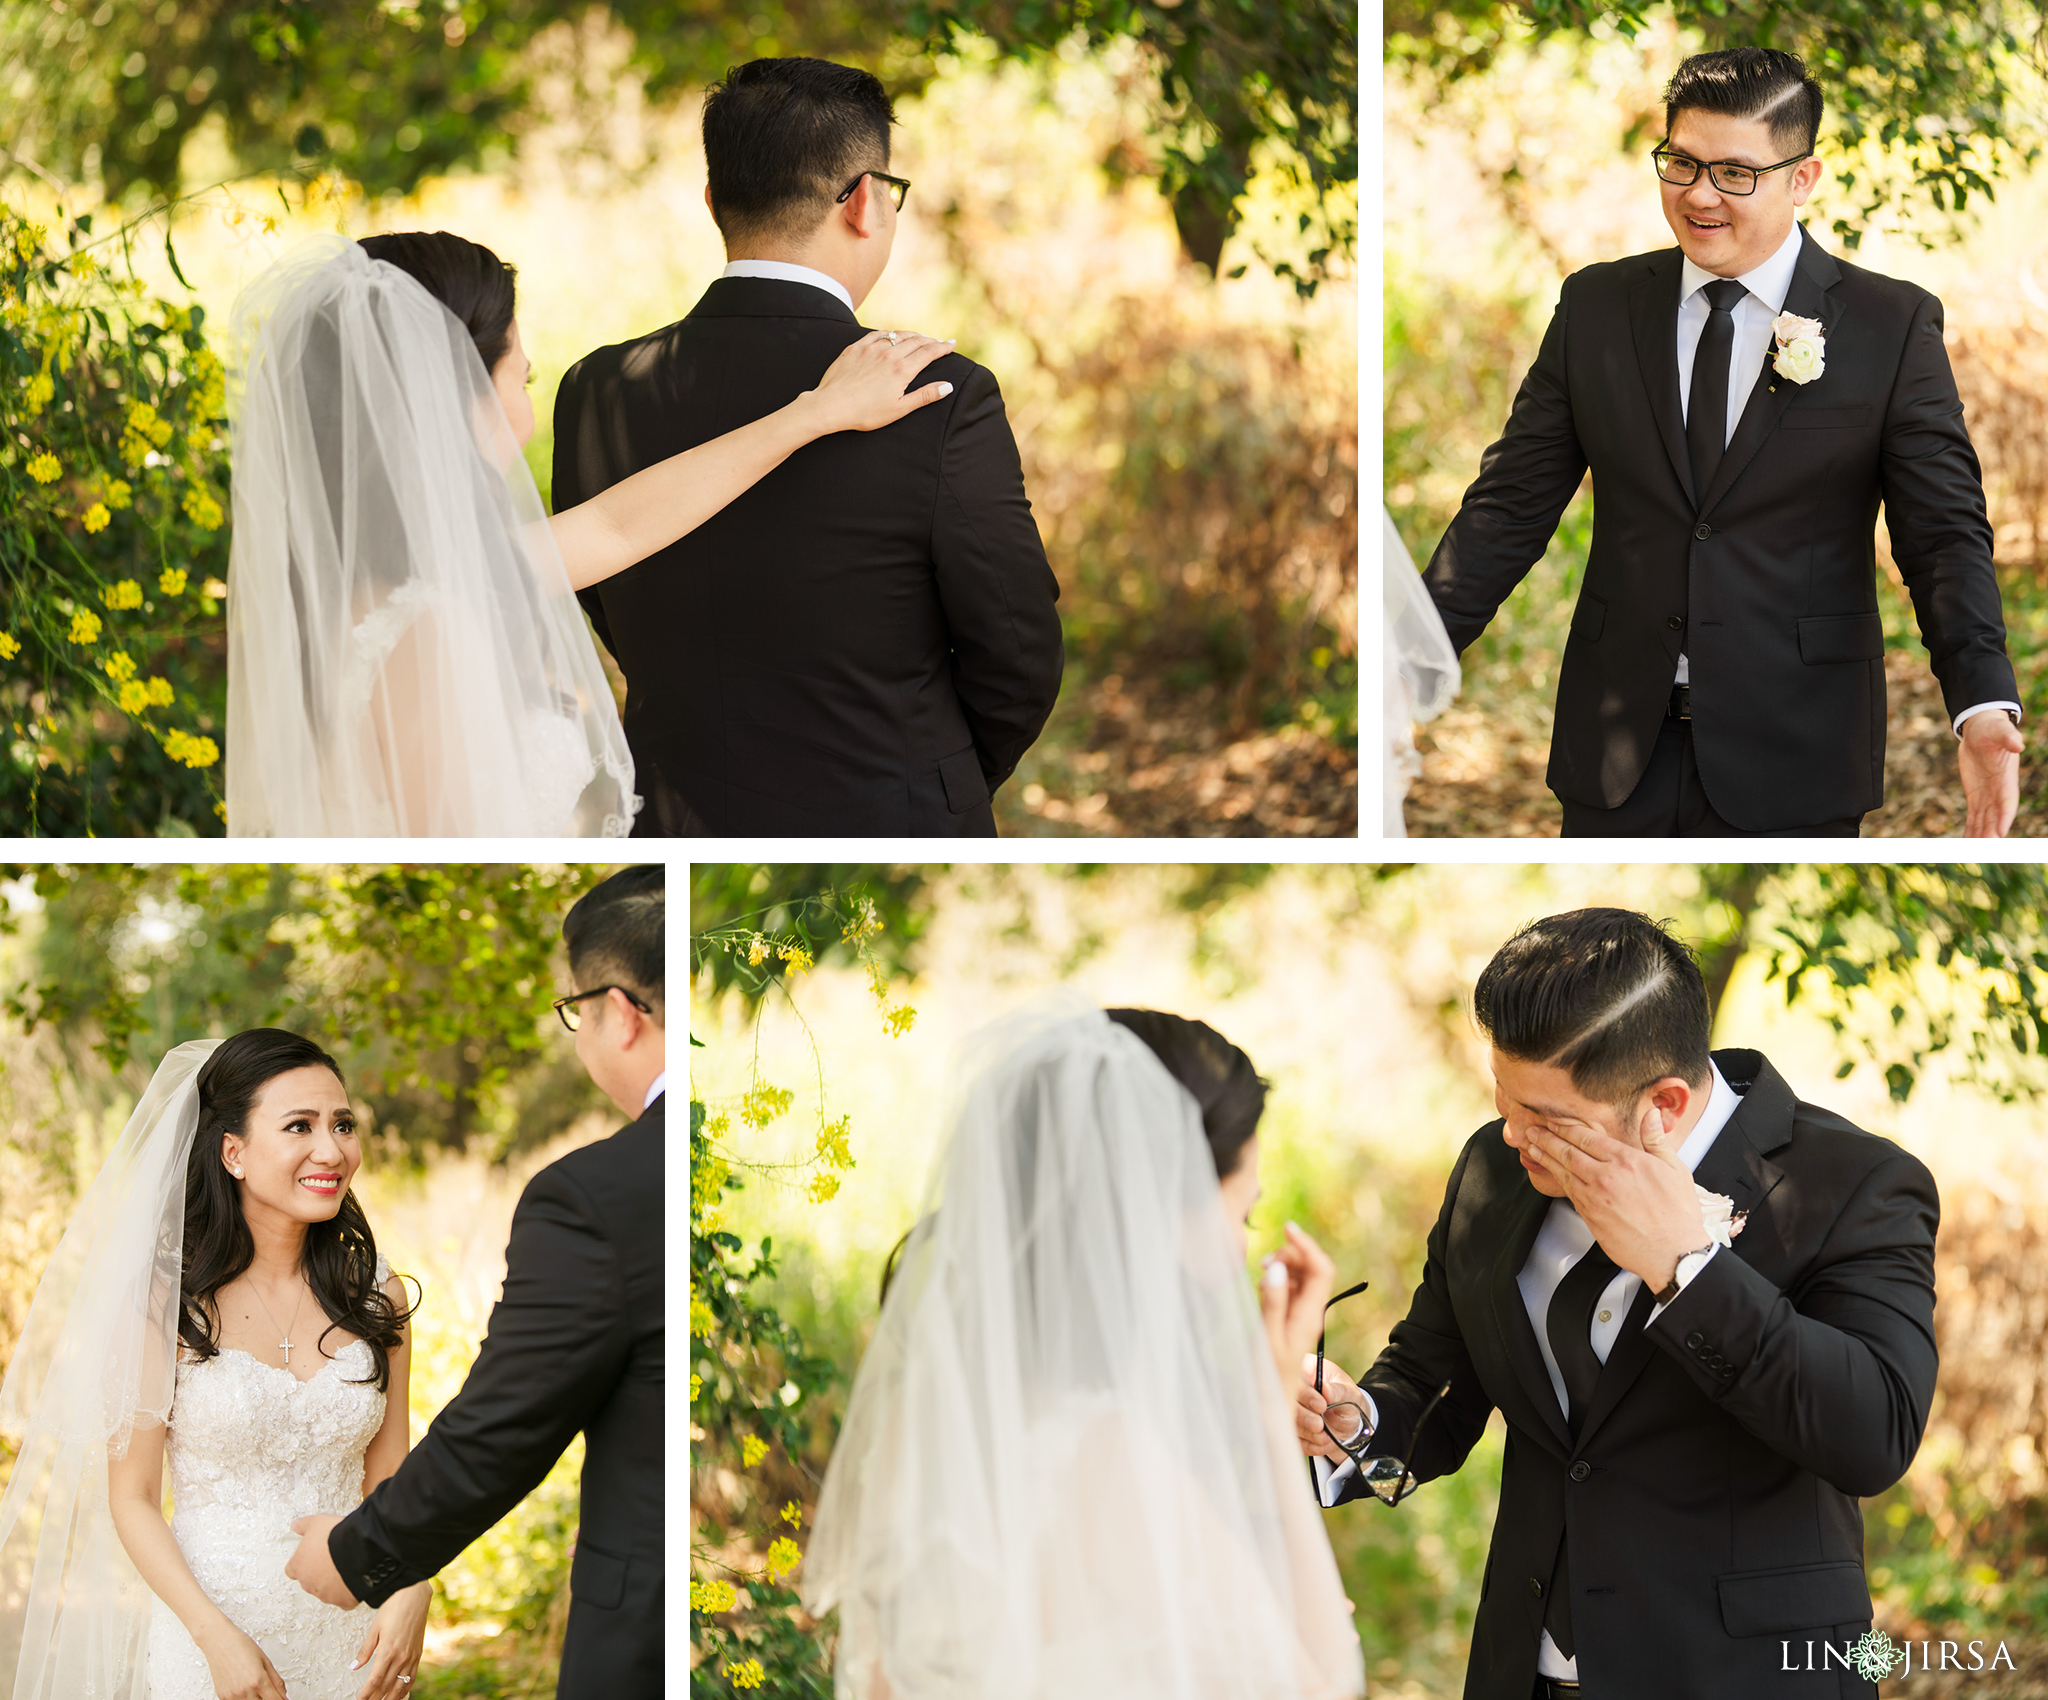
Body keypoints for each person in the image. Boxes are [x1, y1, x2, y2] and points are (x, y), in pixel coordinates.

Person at [1295, 909, 1940, 1699]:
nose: (1511, 1135)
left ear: (1663, 1105)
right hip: (1522, 1675)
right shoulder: (1493, 1174)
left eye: (1544, 1120)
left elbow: (1872, 1435)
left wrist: (1686, 1270)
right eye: (1504, 1100)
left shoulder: (1855, 1184)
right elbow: (1434, 1378)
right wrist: (1355, 1423)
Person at [1423, 46, 2024, 837]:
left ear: (1801, 178)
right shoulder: (1597, 306)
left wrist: (1979, 699)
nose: (1699, 196)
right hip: (1615, 752)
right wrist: (1411, 659)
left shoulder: (1891, 326)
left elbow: (1943, 537)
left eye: (1735, 173)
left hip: (1798, 750)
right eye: (1681, 163)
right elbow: (1508, 508)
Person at [224, 230, 955, 836]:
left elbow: (618, 523)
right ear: (462, 397)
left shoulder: (394, 585)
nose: (527, 409)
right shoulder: (427, 631)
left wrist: (817, 414)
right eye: (524, 380)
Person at [553, 56, 1066, 836]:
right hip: (889, 821)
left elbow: (600, 597)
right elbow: (1018, 649)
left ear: (713, 200)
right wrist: (938, 773)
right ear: (866, 202)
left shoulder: (595, 387)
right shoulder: (939, 394)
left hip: (673, 823)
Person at [802, 1000, 1364, 1700]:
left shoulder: (924, 1421)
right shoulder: (1103, 1451)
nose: (1242, 1250)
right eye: (1241, 1214)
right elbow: (1322, 1684)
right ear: (1162, 1212)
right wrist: (1270, 1410)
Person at [284, 864, 663, 1700]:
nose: (332, 1148)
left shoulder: (596, 1195)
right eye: (298, 1125)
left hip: (648, 1630)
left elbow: (507, 1424)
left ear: (623, 1015)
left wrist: (371, 1560)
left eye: (575, 1012)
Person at [0, 1028, 428, 1700]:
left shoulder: (376, 1294)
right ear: (232, 1152)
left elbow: (392, 1475)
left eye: (342, 1124)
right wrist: (212, 1637)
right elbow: (133, 1500)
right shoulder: (163, 1303)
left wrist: (413, 1583)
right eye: (299, 1126)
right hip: (214, 1643)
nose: (332, 1149)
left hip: (354, 1640)